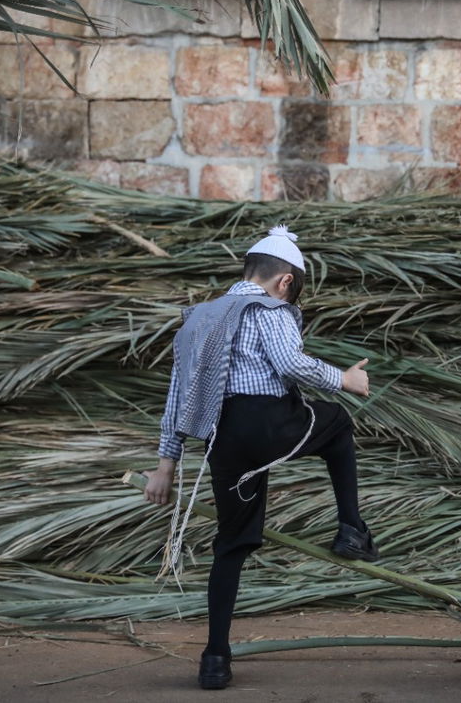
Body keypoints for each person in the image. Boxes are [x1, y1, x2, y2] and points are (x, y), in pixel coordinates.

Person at [144, 226, 377, 691]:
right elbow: (290, 363)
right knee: (337, 423)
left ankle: (214, 658)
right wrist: (344, 380)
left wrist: (165, 466)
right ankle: (352, 528)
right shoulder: (270, 306)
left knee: (231, 544)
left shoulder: (199, 318)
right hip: (268, 422)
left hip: (223, 440)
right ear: (285, 282)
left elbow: (179, 396)